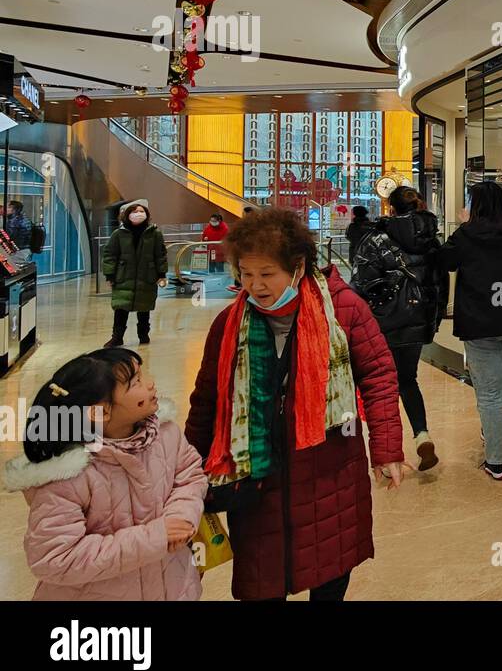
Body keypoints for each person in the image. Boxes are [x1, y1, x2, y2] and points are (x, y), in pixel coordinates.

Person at [184, 207, 405, 601]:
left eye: (267, 274)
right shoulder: (228, 325)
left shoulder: (343, 310)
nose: (256, 286)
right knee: (260, 582)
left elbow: (378, 375)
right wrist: (185, 473)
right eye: (246, 274)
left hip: (330, 472)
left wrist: (386, 449)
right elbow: (206, 401)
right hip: (256, 481)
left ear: (298, 266)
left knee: (330, 575)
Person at [3, 349, 208, 600]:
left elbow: (189, 476)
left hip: (171, 586)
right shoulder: (68, 475)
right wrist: (154, 538)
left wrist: (181, 518)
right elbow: (56, 558)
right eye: (136, 383)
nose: (151, 384)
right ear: (101, 412)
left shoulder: (164, 435)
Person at [435, 181, 502, 480]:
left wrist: (462, 224)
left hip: (480, 324)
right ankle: (493, 434)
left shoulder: (466, 235)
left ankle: (498, 461)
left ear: (475, 205)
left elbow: (445, 262)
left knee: (492, 393)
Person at [352, 187, 447, 471]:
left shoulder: (377, 239)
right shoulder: (433, 240)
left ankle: (388, 449)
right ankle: (422, 436)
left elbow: (362, 282)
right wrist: (435, 318)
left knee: (382, 384)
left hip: (383, 323)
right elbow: (441, 283)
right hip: (418, 324)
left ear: (390, 208)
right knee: (408, 380)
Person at [102, 199, 169, 347]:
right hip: (124, 276)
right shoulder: (119, 234)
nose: (138, 214)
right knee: (121, 307)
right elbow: (110, 254)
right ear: (127, 215)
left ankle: (143, 335)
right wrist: (110, 275)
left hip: (147, 276)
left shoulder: (154, 233)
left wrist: (161, 273)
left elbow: (160, 254)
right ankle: (117, 337)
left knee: (144, 308)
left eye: (141, 211)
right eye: (134, 211)